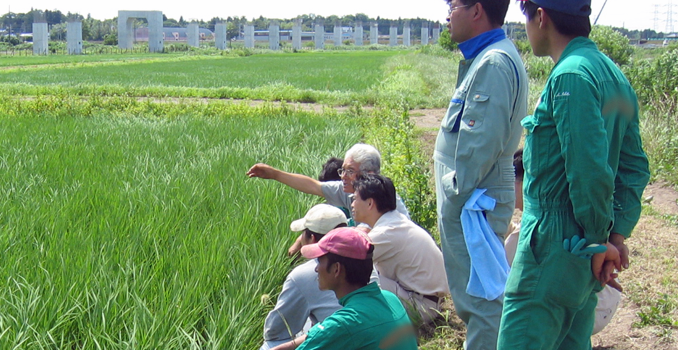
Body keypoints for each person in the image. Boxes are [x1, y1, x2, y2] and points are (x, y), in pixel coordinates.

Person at [497, 1, 650, 349]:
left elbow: (589, 170)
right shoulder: (613, 76)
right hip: (585, 252)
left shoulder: (570, 75)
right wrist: (615, 235)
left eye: (525, 18)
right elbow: (634, 167)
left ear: (540, 16)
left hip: (555, 246)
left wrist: (600, 241)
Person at [433, 0, 528, 348]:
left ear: (476, 11)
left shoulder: (493, 63)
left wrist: (454, 191)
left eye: (453, 5)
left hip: (474, 199)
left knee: (482, 300)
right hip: (474, 195)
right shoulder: (488, 58)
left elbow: (480, 144)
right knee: (478, 293)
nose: (447, 14)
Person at [504, 149, 622, 336]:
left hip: (594, 309)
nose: (507, 191)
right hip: (599, 303)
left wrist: (606, 251)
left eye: (511, 182)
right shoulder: (565, 210)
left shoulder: (545, 225)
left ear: (529, 180)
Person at [271, 227, 418, 350]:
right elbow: (323, 333)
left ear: (336, 269)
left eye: (320, 260)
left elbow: (335, 331)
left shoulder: (344, 325)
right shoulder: (389, 298)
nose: (316, 269)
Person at [351, 174, 449, 325]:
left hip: (420, 306)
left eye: (355, 199)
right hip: (426, 301)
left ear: (370, 203)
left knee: (352, 277)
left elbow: (347, 258)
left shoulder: (386, 232)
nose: (352, 204)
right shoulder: (394, 222)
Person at [246, 143, 410, 229]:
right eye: (343, 170)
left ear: (370, 174)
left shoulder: (385, 202)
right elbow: (314, 186)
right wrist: (274, 174)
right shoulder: (350, 190)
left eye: (350, 171)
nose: (344, 177)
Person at [261, 204, 349, 350]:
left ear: (312, 238)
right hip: (366, 336)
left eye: (303, 233)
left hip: (338, 340)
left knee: (271, 345)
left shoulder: (305, 274)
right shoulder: (364, 262)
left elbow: (275, 331)